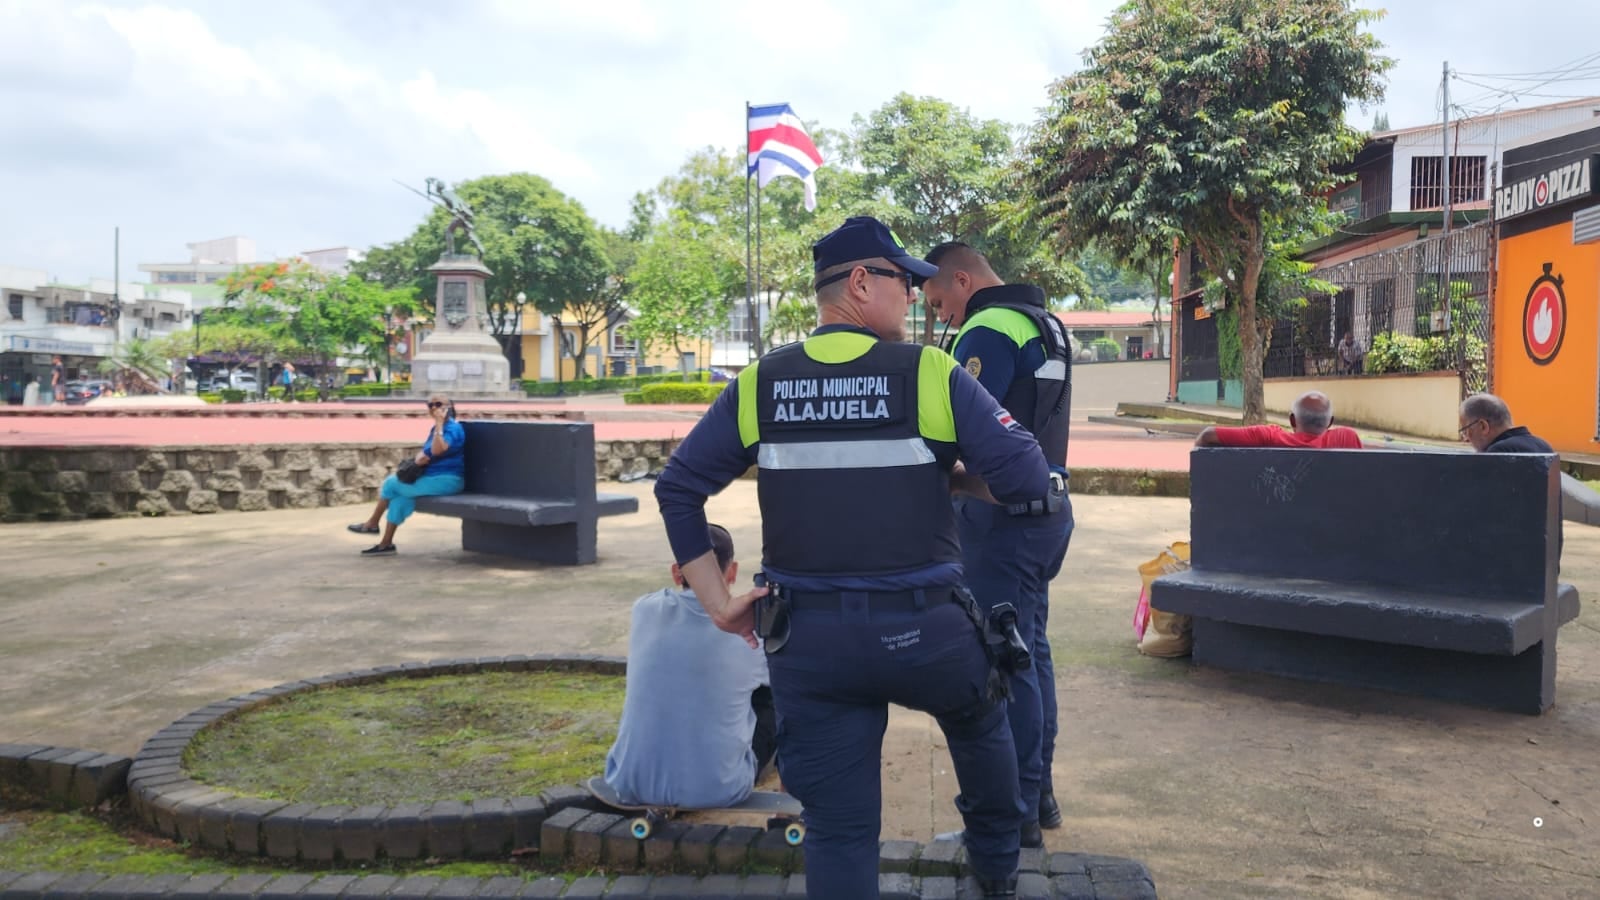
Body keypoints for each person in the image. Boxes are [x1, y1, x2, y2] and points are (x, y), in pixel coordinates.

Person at [654, 216, 1053, 899]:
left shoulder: (760, 383)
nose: (915, 298)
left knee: (838, 833)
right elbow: (1026, 479)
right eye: (904, 281)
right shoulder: (930, 372)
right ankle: (998, 872)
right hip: (926, 632)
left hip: (810, 644)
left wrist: (718, 606)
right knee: (984, 719)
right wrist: (949, 472)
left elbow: (678, 486)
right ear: (862, 283)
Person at [921, 241, 1074, 846]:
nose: (941, 319)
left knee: (1003, 660)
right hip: (1048, 512)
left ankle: (1011, 817)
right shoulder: (1047, 323)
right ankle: (1038, 797)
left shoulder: (985, 330)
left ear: (962, 280)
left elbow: (957, 429)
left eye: (939, 303)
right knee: (1030, 650)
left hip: (999, 517)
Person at [603, 523, 776, 809]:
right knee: (774, 693)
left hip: (628, 785)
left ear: (676, 572)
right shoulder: (751, 631)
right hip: (717, 791)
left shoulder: (642, 610)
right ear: (732, 572)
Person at [347, 394, 466, 555]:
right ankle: (386, 544)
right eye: (430, 405)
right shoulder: (437, 429)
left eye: (438, 404)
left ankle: (372, 523)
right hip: (432, 478)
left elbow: (437, 450)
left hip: (448, 480)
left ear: (449, 407)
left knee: (391, 483)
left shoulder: (453, 428)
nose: (433, 408)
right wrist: (421, 457)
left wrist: (438, 425)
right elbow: (426, 454)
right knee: (399, 499)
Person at [1194, 391, 1363, 448]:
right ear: (1330, 422)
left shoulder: (1269, 436)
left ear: (1292, 421)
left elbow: (1207, 436)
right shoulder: (1347, 438)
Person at [1458, 393, 1555, 454]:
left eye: (1466, 431)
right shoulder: (1543, 445)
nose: (1466, 439)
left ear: (1483, 426)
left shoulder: (1498, 452)